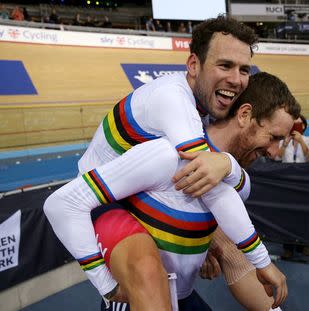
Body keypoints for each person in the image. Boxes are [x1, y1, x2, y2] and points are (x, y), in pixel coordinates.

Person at [44, 72, 300, 310]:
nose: (275, 152)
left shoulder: (231, 174)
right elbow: (64, 203)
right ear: (244, 115)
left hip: (180, 294)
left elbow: (232, 200)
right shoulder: (167, 154)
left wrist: (227, 165)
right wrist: (107, 286)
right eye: (274, 137)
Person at [74, 15, 280, 310]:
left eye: (244, 69)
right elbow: (213, 184)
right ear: (194, 65)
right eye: (225, 65)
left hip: (121, 189)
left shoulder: (201, 103)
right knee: (145, 276)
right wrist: (261, 259)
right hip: (103, 200)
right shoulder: (174, 99)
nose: (236, 79)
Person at [277, 115, 309, 259]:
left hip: (303, 184)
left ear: (303, 127)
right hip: (287, 184)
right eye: (293, 125)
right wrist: (285, 144)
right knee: (287, 216)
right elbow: (276, 158)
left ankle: (303, 246)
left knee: (303, 216)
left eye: (299, 125)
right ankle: (288, 248)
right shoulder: (282, 142)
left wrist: (301, 142)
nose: (296, 127)